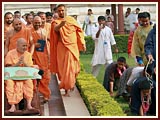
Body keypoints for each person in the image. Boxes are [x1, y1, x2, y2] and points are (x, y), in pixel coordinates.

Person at [50, 4, 86, 96]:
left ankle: (70, 83)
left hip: (72, 47)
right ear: (57, 12)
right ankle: (66, 89)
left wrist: (82, 42)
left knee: (73, 68)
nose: (61, 12)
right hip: (62, 47)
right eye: (59, 11)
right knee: (63, 69)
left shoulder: (71, 20)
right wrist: (61, 25)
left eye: (62, 10)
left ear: (66, 10)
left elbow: (79, 32)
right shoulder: (56, 22)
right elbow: (55, 29)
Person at [4, 38, 34, 112]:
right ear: (17, 46)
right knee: (9, 83)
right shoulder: (10, 53)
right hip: (12, 76)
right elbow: (7, 68)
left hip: (25, 76)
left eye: (26, 46)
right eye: (23, 46)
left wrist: (24, 62)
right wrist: (17, 64)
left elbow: (30, 69)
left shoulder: (28, 54)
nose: (25, 47)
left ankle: (29, 104)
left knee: (29, 82)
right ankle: (12, 105)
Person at [31, 16, 51, 102]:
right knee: (33, 76)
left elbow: (46, 44)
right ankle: (32, 95)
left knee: (44, 76)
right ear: (32, 22)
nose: (37, 24)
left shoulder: (44, 31)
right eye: (36, 22)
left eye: (39, 22)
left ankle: (45, 94)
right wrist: (33, 46)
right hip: (32, 56)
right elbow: (25, 44)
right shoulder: (28, 31)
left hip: (43, 56)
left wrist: (49, 55)